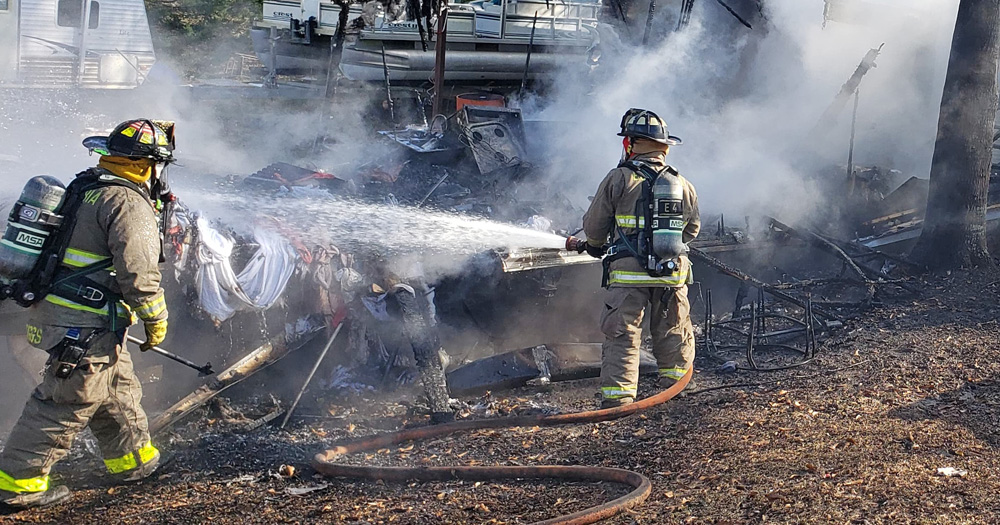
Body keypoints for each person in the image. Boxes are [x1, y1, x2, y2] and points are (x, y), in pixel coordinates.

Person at [0, 119, 176, 508]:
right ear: (145, 164)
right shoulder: (128, 202)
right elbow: (138, 273)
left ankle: (133, 461)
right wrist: (156, 319)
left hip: (76, 318)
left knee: (116, 389)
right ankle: (17, 483)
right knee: (65, 402)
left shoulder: (87, 188)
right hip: (83, 325)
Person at [580, 109, 700, 409]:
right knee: (674, 329)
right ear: (664, 147)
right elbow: (692, 230)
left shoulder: (619, 178)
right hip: (671, 272)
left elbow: (595, 225)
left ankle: (619, 398)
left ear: (631, 144)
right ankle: (677, 389)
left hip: (628, 275)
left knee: (623, 333)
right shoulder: (682, 184)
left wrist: (594, 245)